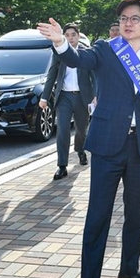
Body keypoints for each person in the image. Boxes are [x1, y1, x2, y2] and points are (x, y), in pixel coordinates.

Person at [37, 0, 140, 278]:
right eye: (124, 18)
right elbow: (77, 59)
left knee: (136, 216)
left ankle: (129, 273)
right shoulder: (105, 50)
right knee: (98, 217)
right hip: (108, 146)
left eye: (135, 18)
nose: (128, 23)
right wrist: (60, 44)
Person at [40, 23, 95, 180]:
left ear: (78, 36)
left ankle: (80, 150)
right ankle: (62, 165)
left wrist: (96, 95)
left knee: (81, 130)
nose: (70, 38)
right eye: (67, 35)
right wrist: (44, 97)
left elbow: (94, 76)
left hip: (82, 97)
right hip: (64, 97)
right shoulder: (59, 52)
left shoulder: (86, 53)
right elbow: (52, 75)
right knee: (62, 131)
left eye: (73, 35)